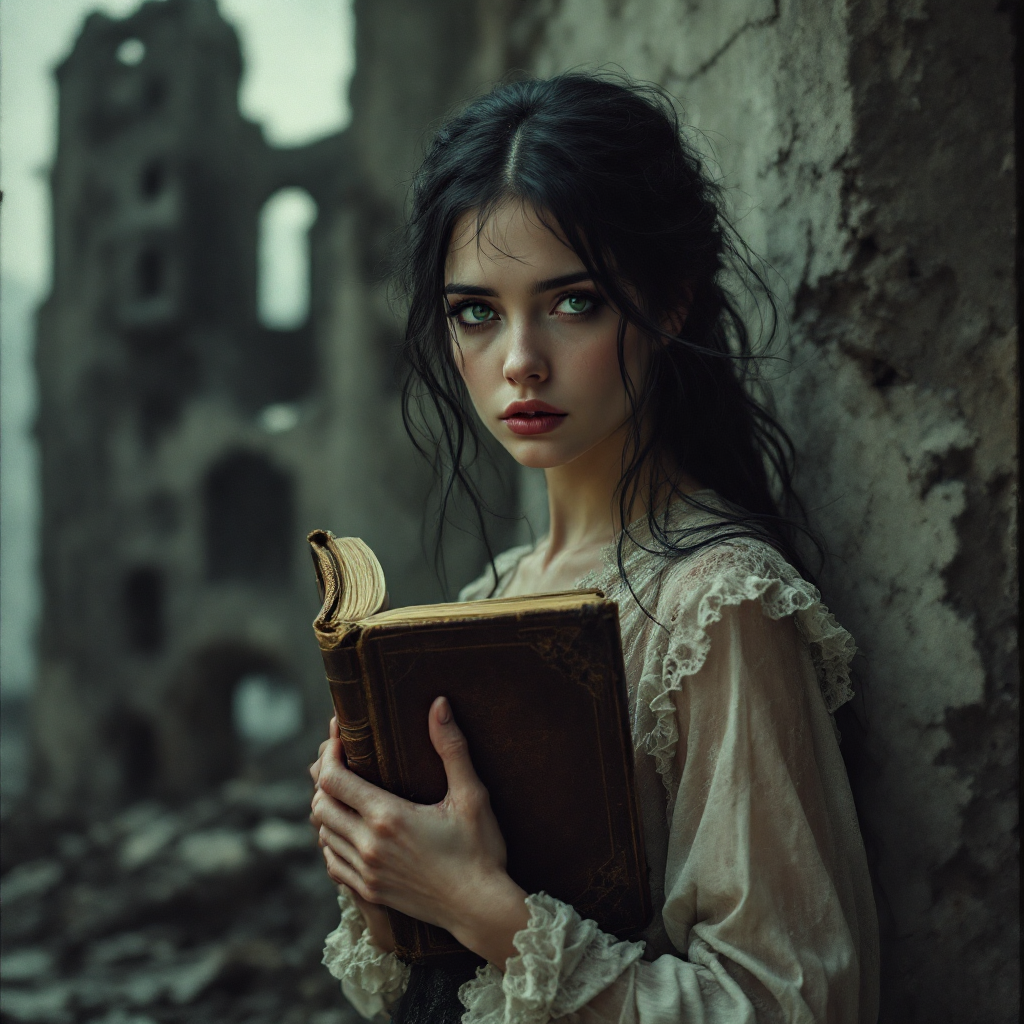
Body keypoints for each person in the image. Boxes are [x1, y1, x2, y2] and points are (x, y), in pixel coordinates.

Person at [308, 73, 879, 1024]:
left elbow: (796, 1004)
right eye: (476, 312)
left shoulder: (719, 604)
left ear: (669, 304)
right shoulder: (494, 593)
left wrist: (486, 912)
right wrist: (389, 870)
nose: (519, 358)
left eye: (572, 303)